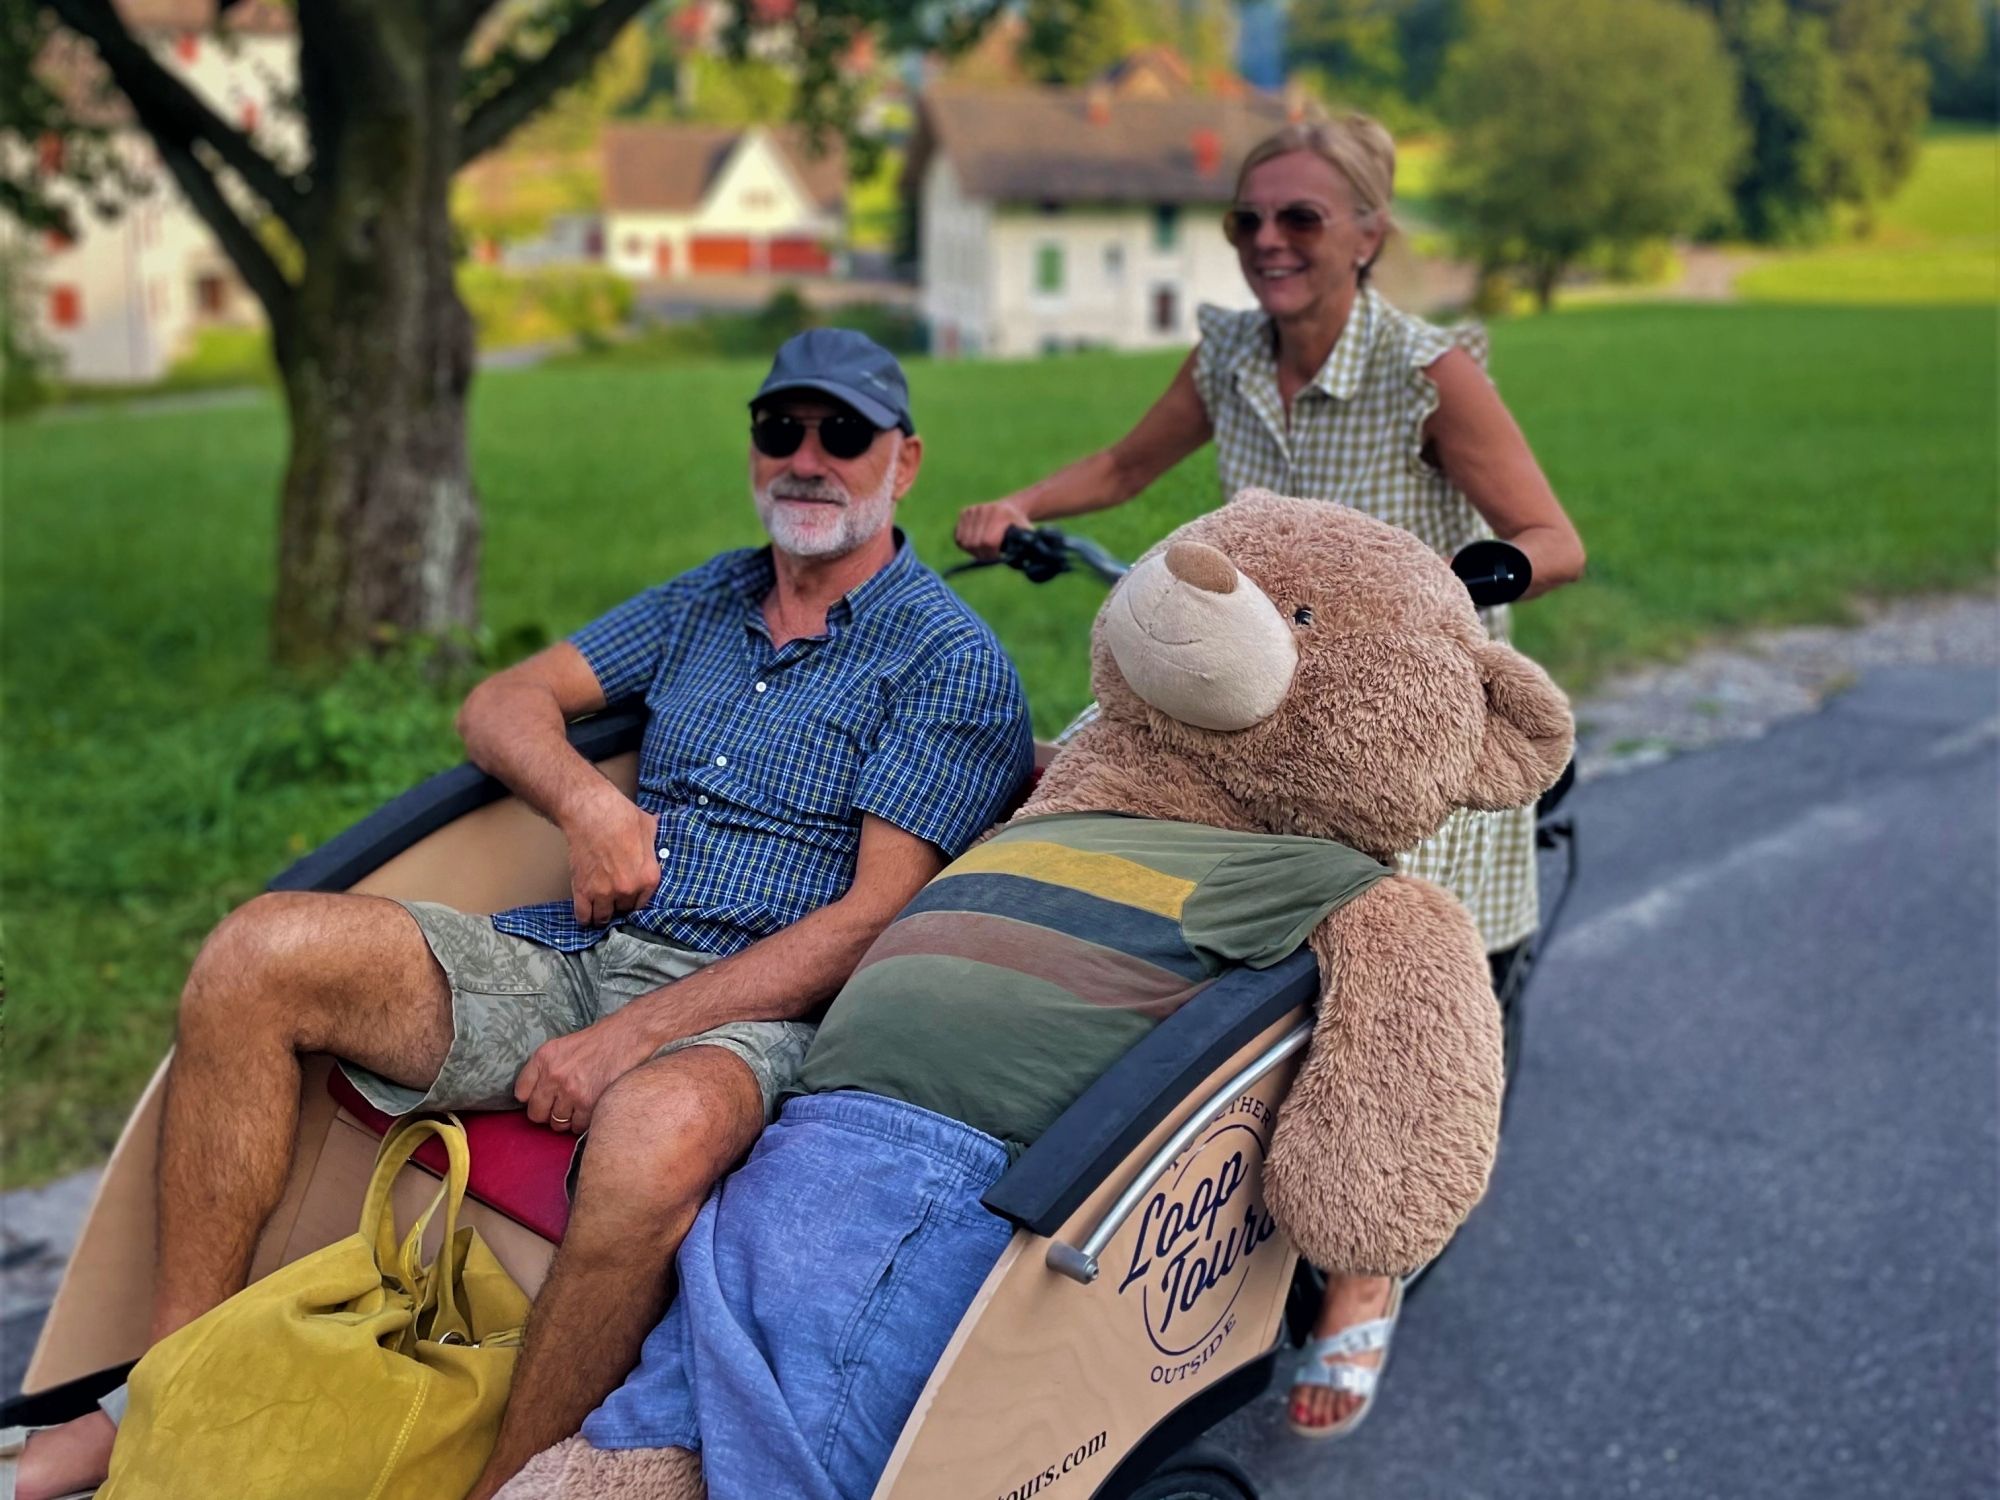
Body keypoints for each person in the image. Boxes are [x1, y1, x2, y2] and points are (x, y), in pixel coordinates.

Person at [11, 328, 1033, 1500]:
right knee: (257, 952)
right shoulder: (714, 595)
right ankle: (162, 1391)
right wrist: (589, 804)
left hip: (766, 1013)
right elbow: (502, 701)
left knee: (651, 1138)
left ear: (903, 462)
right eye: (779, 429)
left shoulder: (947, 662)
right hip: (583, 953)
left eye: (842, 435)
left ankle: (506, 1483)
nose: (807, 458)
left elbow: (871, 920)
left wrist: (629, 1040)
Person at [954, 113, 1585, 1440]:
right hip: (1258, 706)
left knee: (1415, 962)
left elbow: (1549, 534)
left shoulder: (1428, 374)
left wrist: (1460, 595)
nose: (1268, 244)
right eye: (1250, 220)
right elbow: (1130, 470)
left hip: (1396, 711)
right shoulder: (1229, 353)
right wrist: (1024, 508)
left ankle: (1363, 1277)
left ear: (1367, 234)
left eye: (1300, 220)